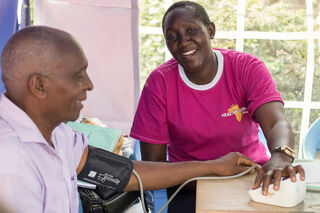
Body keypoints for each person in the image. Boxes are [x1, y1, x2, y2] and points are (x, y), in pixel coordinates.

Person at [0, 26, 261, 213]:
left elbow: (124, 174)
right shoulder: (10, 160)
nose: (89, 86)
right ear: (39, 86)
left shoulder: (57, 134)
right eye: (78, 76)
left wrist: (213, 167)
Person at [130, 1, 305, 212]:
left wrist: (280, 156)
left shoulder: (246, 68)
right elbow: (154, 166)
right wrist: (213, 171)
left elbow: (277, 120)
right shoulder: (159, 83)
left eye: (191, 30)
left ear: (211, 30)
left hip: (252, 179)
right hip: (190, 186)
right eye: (172, 36)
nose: (183, 41)